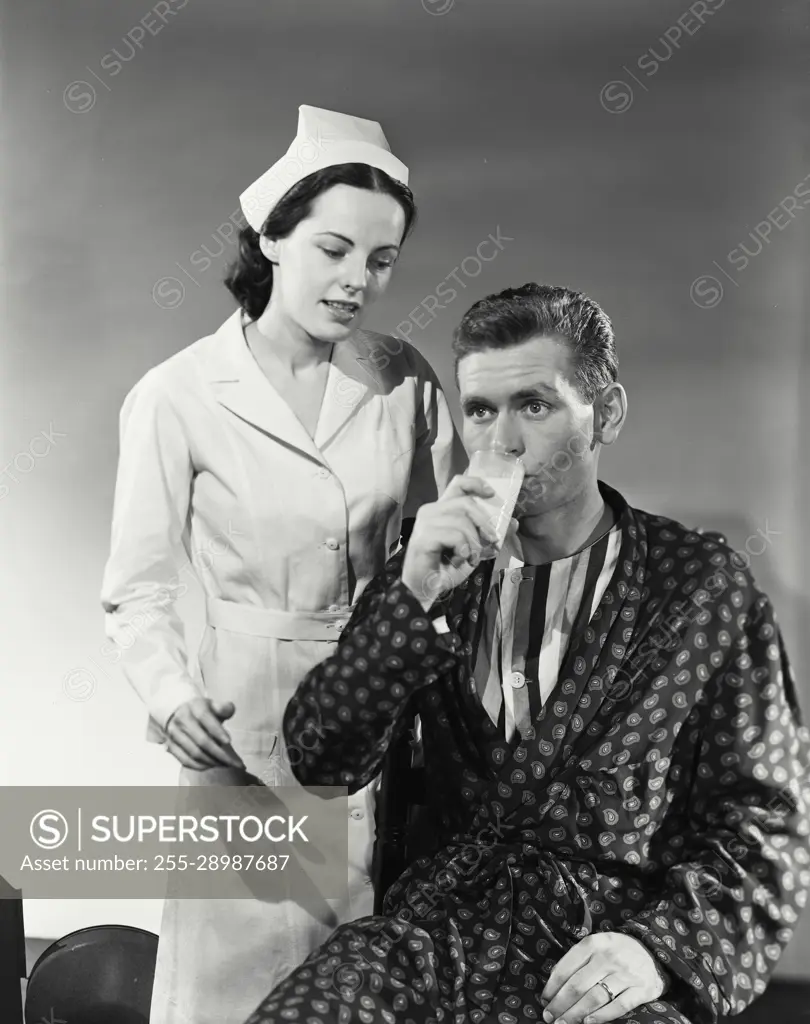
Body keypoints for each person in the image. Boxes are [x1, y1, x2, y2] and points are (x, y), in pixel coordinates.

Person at [247, 283, 810, 1024]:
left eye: (534, 406)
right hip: (435, 935)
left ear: (605, 412)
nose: (502, 441)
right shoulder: (433, 560)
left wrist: (654, 952)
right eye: (481, 410)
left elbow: (764, 821)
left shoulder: (700, 586)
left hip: (599, 951)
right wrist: (411, 598)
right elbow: (321, 762)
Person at [100, 105, 465, 1024]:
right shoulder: (178, 395)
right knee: (237, 988)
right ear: (272, 237)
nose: (358, 282)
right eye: (334, 249)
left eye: (380, 261)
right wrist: (171, 697)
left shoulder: (403, 380)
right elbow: (136, 591)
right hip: (243, 730)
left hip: (383, 718)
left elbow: (457, 546)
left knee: (367, 977)